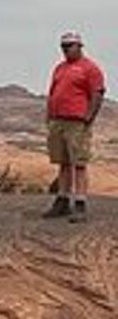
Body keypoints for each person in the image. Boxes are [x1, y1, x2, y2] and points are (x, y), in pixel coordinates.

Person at [45, 30, 104, 224]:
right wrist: (49, 115)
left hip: (77, 121)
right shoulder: (60, 68)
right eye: (63, 46)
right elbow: (52, 91)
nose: (65, 50)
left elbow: (97, 92)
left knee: (78, 163)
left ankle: (80, 203)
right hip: (58, 120)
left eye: (69, 46)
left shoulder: (90, 68)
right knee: (62, 162)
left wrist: (89, 117)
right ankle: (62, 200)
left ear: (79, 46)